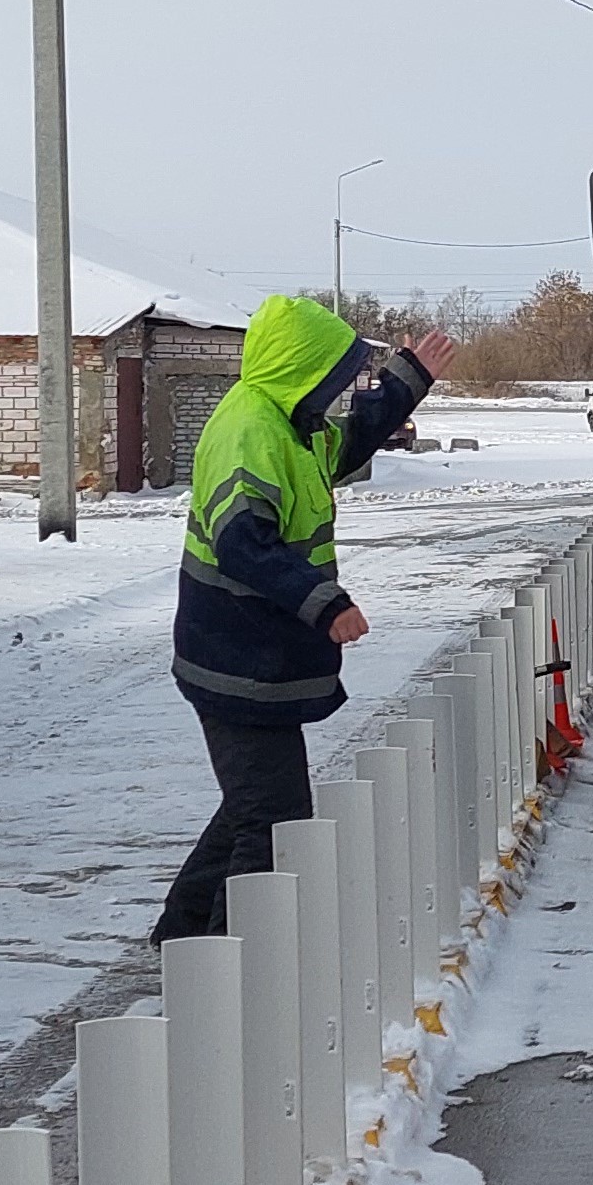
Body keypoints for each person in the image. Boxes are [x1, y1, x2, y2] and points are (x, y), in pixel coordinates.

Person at [152, 295, 456, 942]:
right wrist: (326, 605)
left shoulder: (294, 424)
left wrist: (409, 377)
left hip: (254, 656)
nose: (344, 386)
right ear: (302, 369)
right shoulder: (250, 433)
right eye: (336, 373)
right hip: (234, 656)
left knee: (249, 807)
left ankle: (183, 939)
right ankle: (232, 963)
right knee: (274, 818)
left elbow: (347, 444)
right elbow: (242, 540)